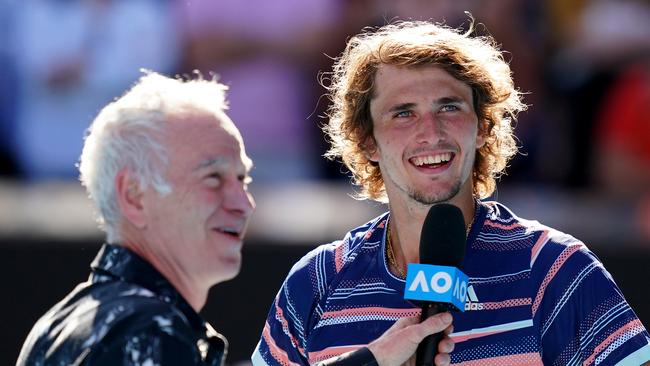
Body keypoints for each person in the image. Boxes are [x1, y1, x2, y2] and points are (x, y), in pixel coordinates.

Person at [252, 20, 650, 365]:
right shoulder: (318, 281)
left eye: (449, 107)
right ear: (367, 141)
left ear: (483, 128)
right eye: (403, 112)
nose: (431, 132)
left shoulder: (552, 268)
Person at [16, 71, 454, 366]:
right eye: (212, 178)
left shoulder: (59, 325)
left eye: (242, 178)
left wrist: (374, 357)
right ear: (133, 195)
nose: (243, 203)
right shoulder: (147, 330)